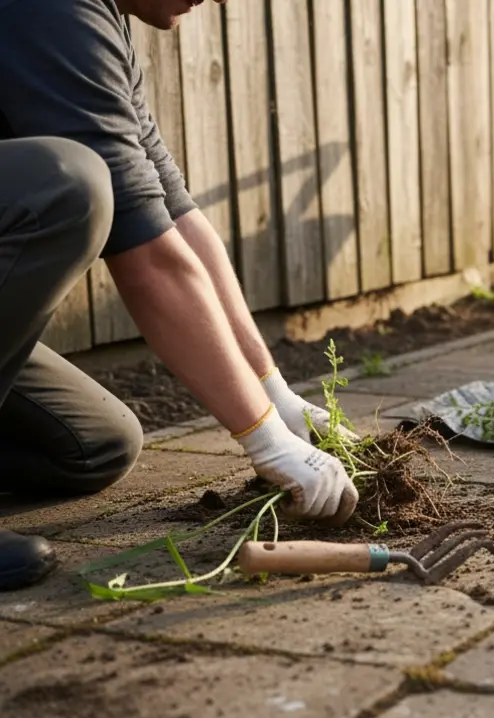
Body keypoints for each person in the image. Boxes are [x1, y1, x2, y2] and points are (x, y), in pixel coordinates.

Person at [0, 0, 359, 591]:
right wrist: (265, 441)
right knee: (67, 187)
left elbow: (170, 214)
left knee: (94, 444)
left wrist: (278, 397)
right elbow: (150, 261)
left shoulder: (101, 19)